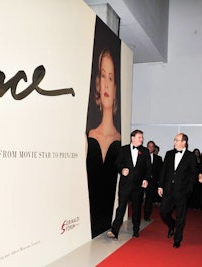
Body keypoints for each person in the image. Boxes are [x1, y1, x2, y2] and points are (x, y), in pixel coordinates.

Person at [86, 48, 121, 238]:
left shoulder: (119, 140)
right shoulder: (89, 136)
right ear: (98, 83)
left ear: (115, 87)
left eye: (111, 78)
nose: (106, 84)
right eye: (103, 75)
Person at [107, 129, 151, 240]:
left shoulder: (145, 151)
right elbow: (117, 163)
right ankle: (114, 231)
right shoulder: (123, 150)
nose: (142, 139)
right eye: (140, 137)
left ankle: (136, 230)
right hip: (125, 185)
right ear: (133, 138)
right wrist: (121, 170)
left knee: (136, 209)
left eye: (142, 137)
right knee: (121, 208)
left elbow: (148, 168)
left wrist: (146, 179)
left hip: (138, 186)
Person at [158, 133, 197, 248]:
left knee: (181, 216)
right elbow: (163, 171)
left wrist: (188, 190)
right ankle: (172, 224)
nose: (174, 142)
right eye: (174, 140)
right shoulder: (169, 154)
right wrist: (160, 186)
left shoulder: (190, 156)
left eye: (177, 140)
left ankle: (177, 239)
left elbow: (193, 174)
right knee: (163, 212)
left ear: (184, 142)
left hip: (182, 191)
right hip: (168, 189)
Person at [143, 141, 163, 220]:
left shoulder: (158, 158)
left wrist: (159, 182)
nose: (150, 148)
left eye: (152, 147)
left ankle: (146, 216)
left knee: (149, 199)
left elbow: (160, 171)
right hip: (141, 181)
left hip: (152, 182)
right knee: (138, 199)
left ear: (154, 148)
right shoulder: (141, 156)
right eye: (149, 146)